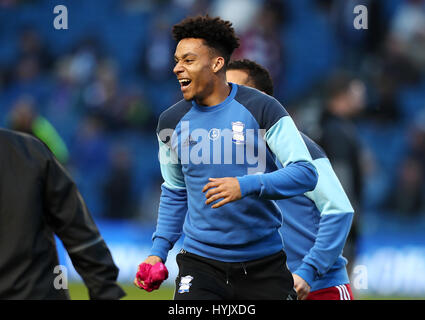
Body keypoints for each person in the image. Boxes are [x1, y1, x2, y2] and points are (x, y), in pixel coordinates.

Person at [134, 15, 319, 300]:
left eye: (188, 60)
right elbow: (175, 192)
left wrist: (245, 185)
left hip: (263, 266)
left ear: (217, 64)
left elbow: (306, 173)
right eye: (176, 60)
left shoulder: (263, 109)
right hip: (200, 264)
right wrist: (157, 253)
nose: (176, 68)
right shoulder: (170, 122)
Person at [226, 59, 355, 300]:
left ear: (262, 99)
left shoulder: (300, 149)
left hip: (318, 289)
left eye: (235, 91)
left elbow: (339, 210)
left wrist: (308, 271)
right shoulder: (227, 155)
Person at [0, 128, 125, 300]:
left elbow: (80, 235)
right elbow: (80, 235)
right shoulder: (30, 152)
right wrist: (106, 291)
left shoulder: (33, 153)